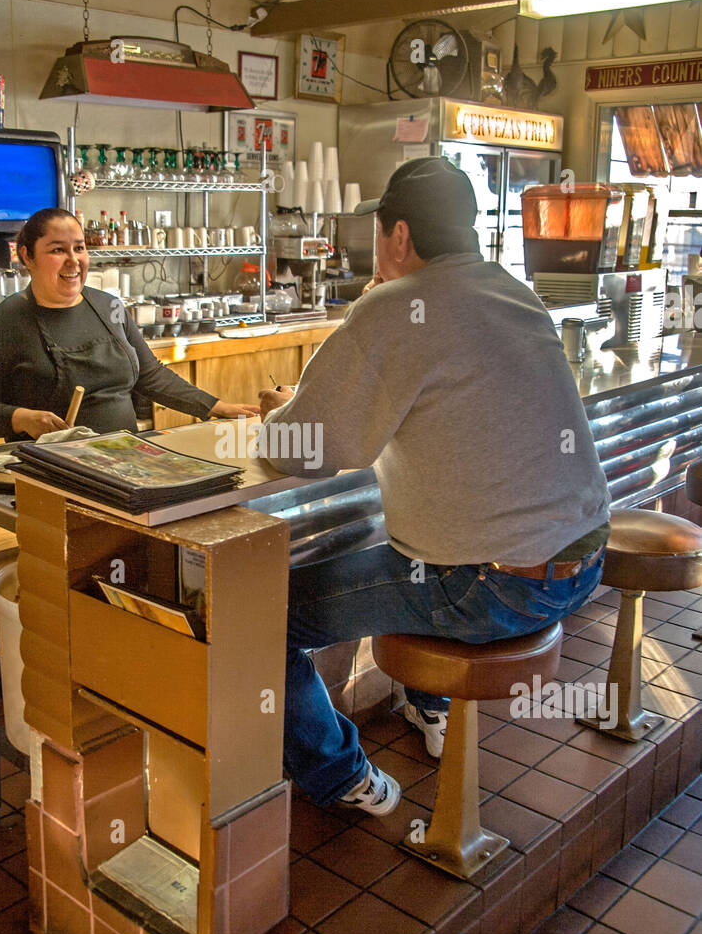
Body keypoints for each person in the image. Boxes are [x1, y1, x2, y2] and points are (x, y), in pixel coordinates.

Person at [258, 158, 610, 817]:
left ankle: (340, 776)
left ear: (398, 236)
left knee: (261, 614)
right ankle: (429, 704)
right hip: (582, 563)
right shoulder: (511, 288)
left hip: (492, 586)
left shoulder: (392, 309)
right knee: (403, 551)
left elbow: (305, 451)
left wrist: (281, 410)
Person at [0, 207, 256, 439]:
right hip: (52, 470)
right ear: (27, 256)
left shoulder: (108, 306)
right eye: (58, 250)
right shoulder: (2, 324)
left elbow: (149, 374)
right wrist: (21, 418)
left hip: (125, 457)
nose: (73, 261)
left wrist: (215, 407)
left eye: (80, 248)